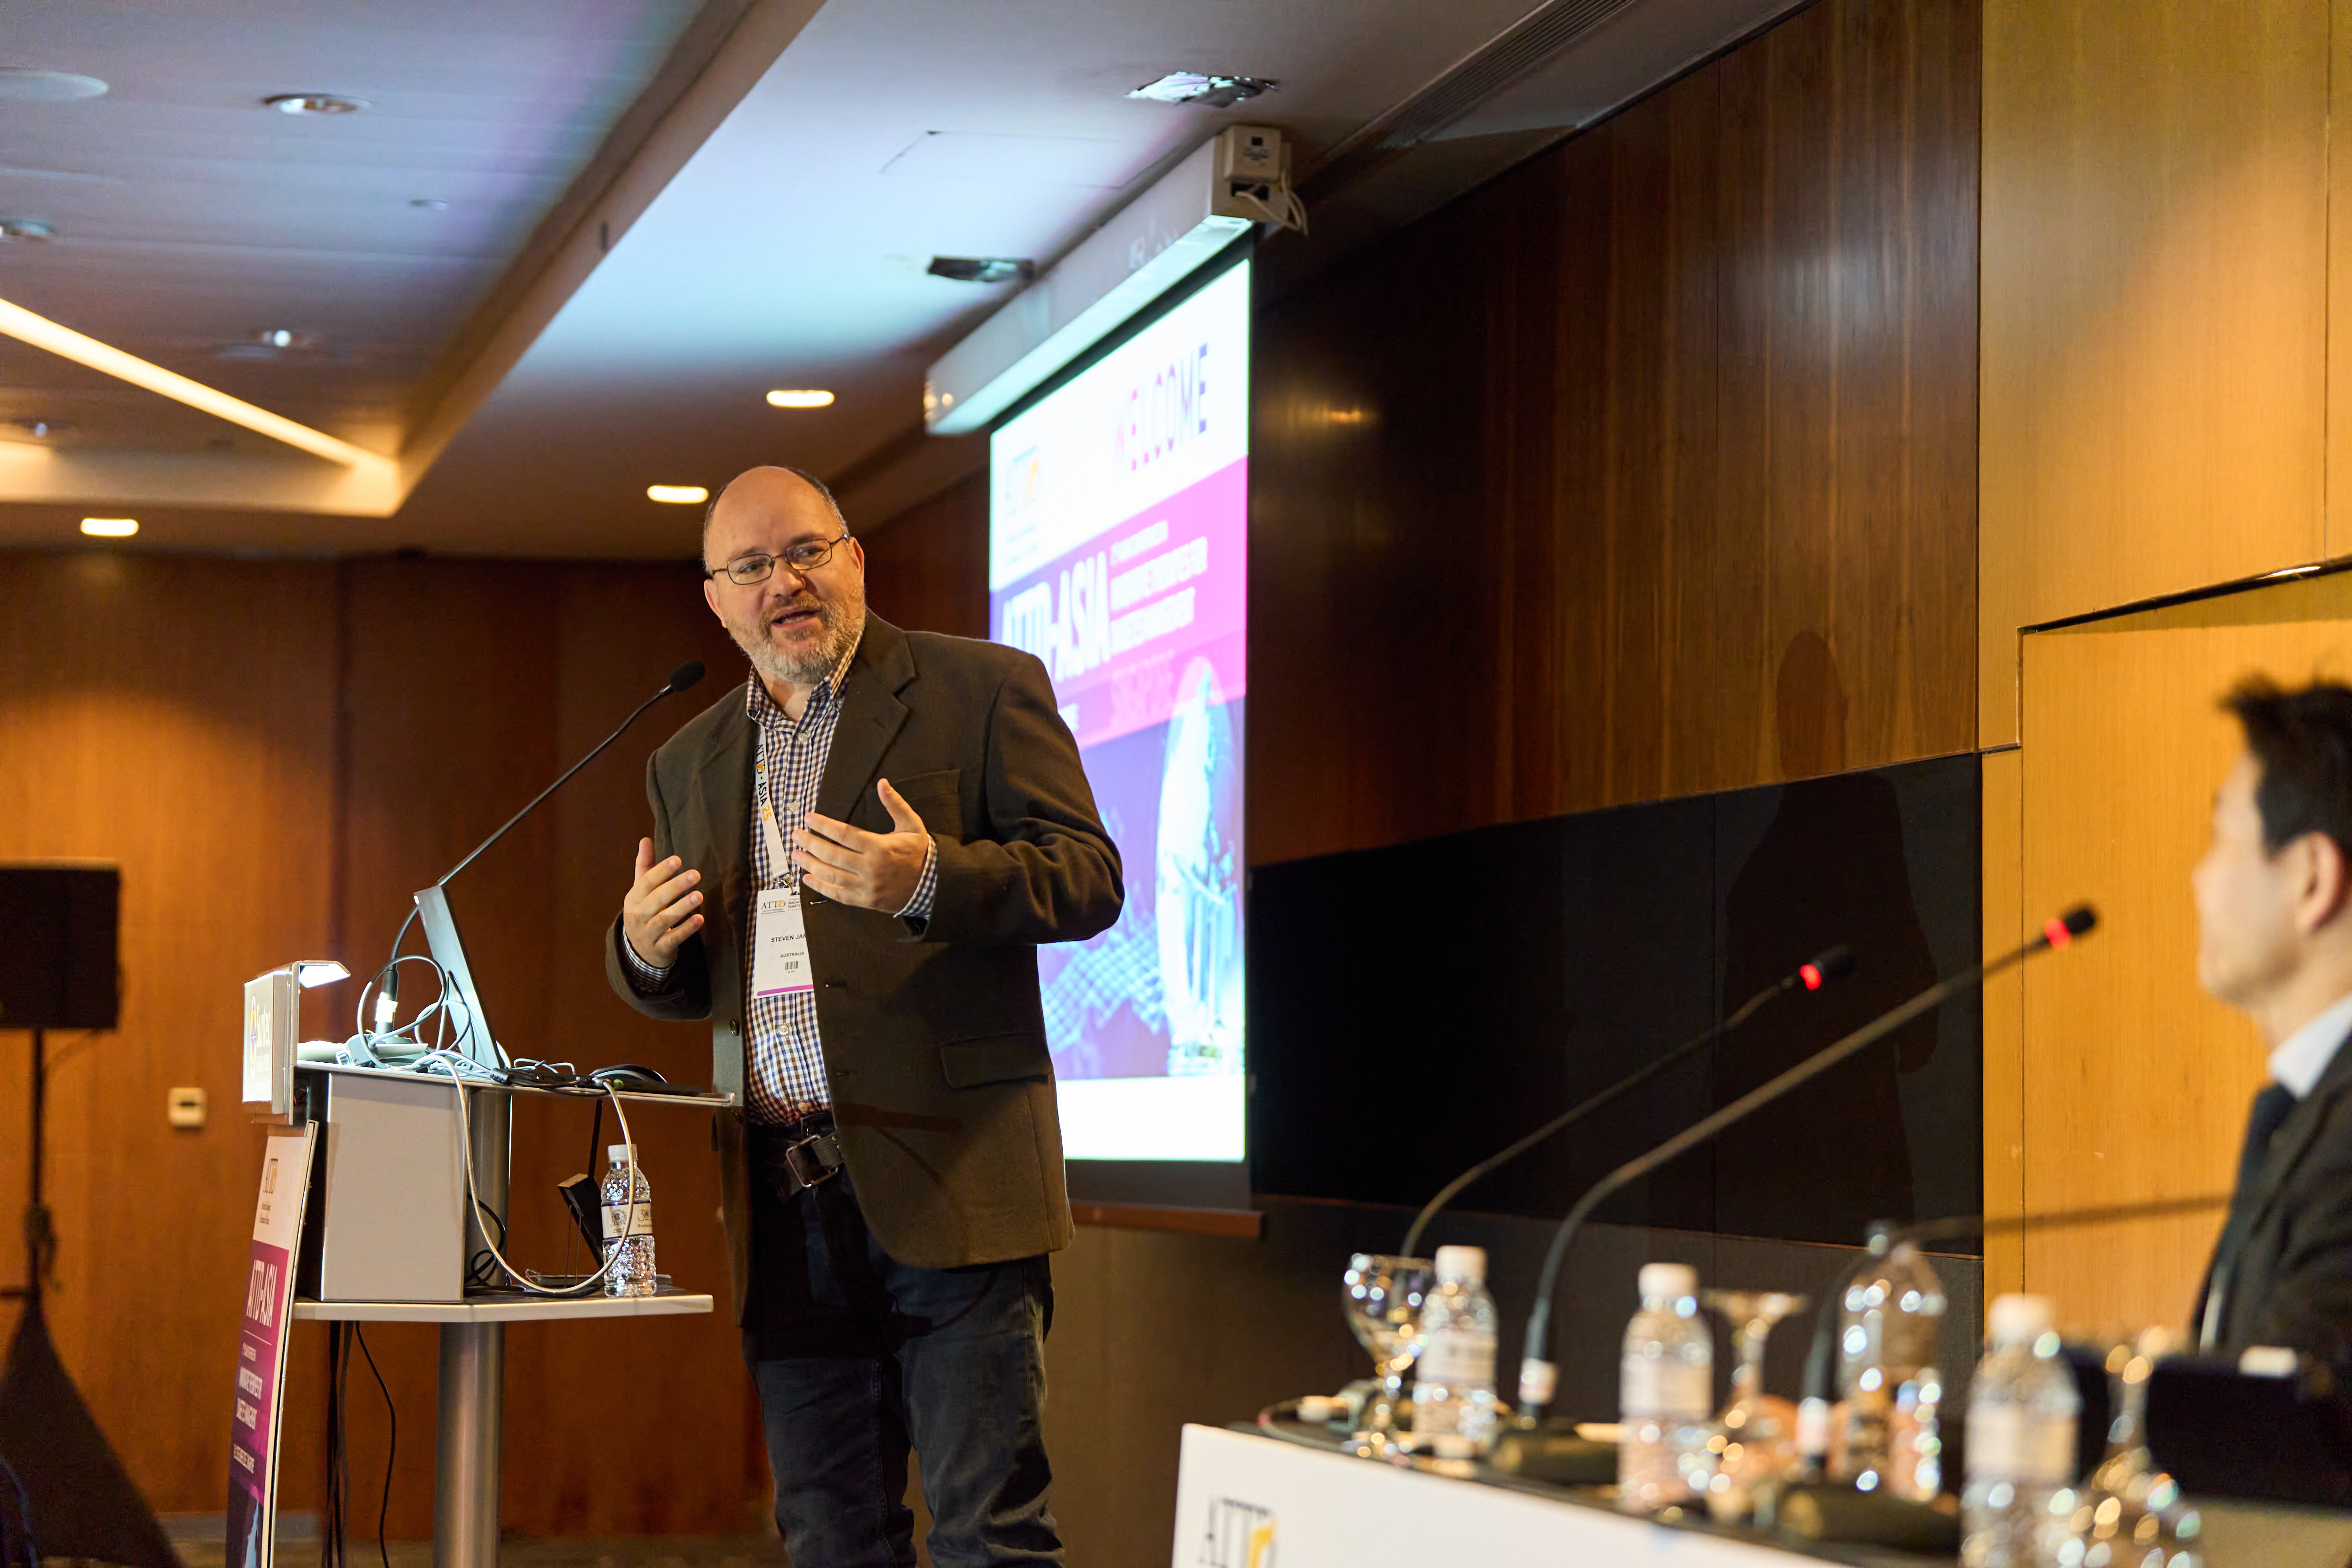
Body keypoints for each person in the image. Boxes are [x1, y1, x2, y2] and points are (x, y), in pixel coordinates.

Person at [603, 465, 1122, 1567]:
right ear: (717, 598)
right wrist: (642, 948)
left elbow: (1088, 875)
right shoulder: (685, 759)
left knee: (989, 1531)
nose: (783, 581)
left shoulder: (982, 687)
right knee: (830, 1537)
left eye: (805, 551)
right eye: (752, 565)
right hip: (782, 1200)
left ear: (854, 558)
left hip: (955, 1177)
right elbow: (698, 979)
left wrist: (929, 879)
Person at [2190, 676, 2352, 1359]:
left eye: (2220, 837)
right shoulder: (2309, 1109)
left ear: (2311, 877)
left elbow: (2285, 1408)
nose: (2198, 877)